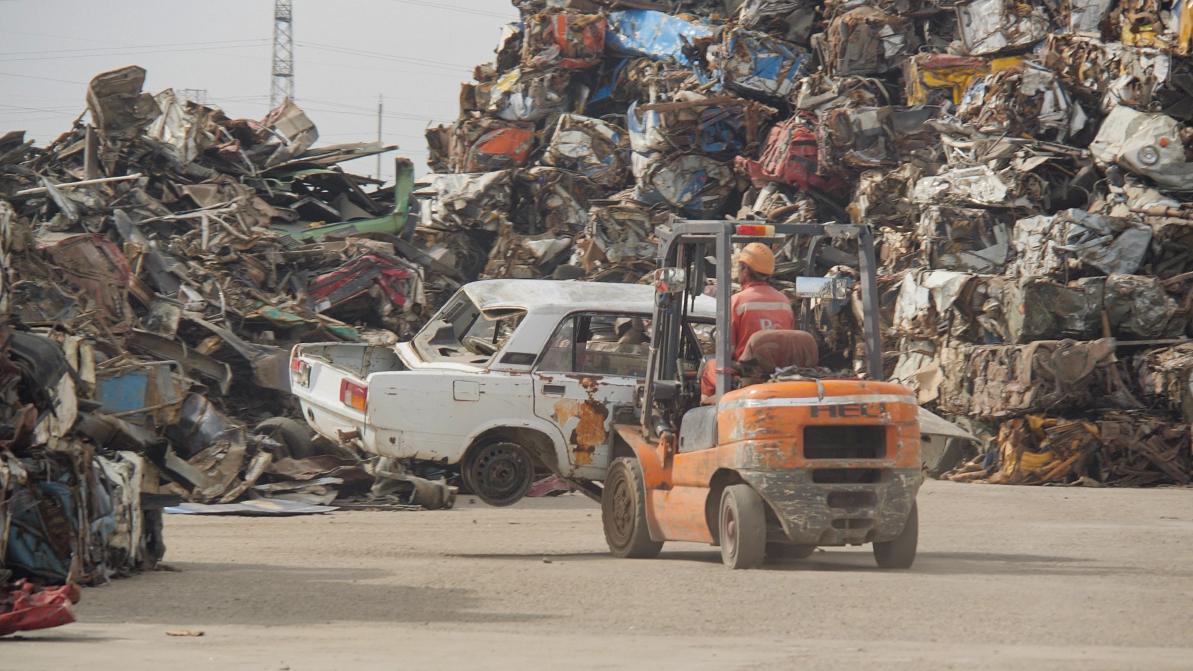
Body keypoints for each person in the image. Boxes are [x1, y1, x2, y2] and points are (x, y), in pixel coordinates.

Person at [700, 243, 796, 404]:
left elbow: (727, 350)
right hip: (780, 372)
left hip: (747, 373)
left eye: (739, 267)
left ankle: (706, 411)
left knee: (709, 366)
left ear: (745, 269)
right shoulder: (784, 301)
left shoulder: (736, 301)